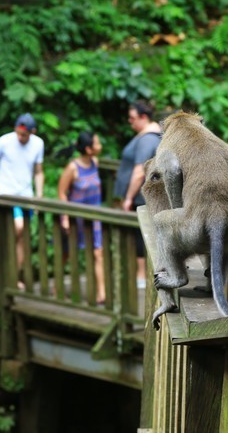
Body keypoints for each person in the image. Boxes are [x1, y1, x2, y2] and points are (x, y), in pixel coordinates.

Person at [0, 113, 44, 274]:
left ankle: (14, 276)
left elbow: (38, 172)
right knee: (18, 228)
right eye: (18, 133)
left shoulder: (38, 144)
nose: (20, 137)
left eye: (24, 134)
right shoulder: (4, 141)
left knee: (23, 239)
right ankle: (7, 264)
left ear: (32, 132)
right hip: (6, 193)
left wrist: (38, 197)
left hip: (25, 194)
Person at [113, 100, 161, 288]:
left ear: (143, 117)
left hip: (141, 197)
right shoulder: (152, 135)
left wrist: (128, 197)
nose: (129, 121)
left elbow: (139, 171)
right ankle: (143, 275)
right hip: (148, 196)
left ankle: (142, 276)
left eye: (132, 118)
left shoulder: (148, 139)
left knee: (141, 235)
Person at [57, 132, 105, 304]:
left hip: (95, 216)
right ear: (88, 149)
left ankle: (101, 293)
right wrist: (65, 217)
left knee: (98, 252)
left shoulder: (95, 163)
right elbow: (62, 193)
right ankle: (57, 285)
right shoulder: (72, 168)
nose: (100, 146)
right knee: (67, 253)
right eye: (97, 143)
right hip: (76, 218)